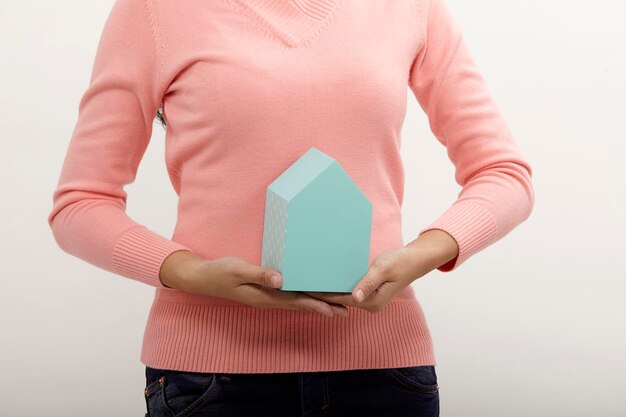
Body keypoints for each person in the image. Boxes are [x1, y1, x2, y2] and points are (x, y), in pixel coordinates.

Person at [47, 0, 534, 415]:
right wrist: (190, 272)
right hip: (210, 379)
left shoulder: (409, 7)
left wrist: (423, 254)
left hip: (383, 373)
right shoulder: (155, 10)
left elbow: (504, 174)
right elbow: (81, 202)